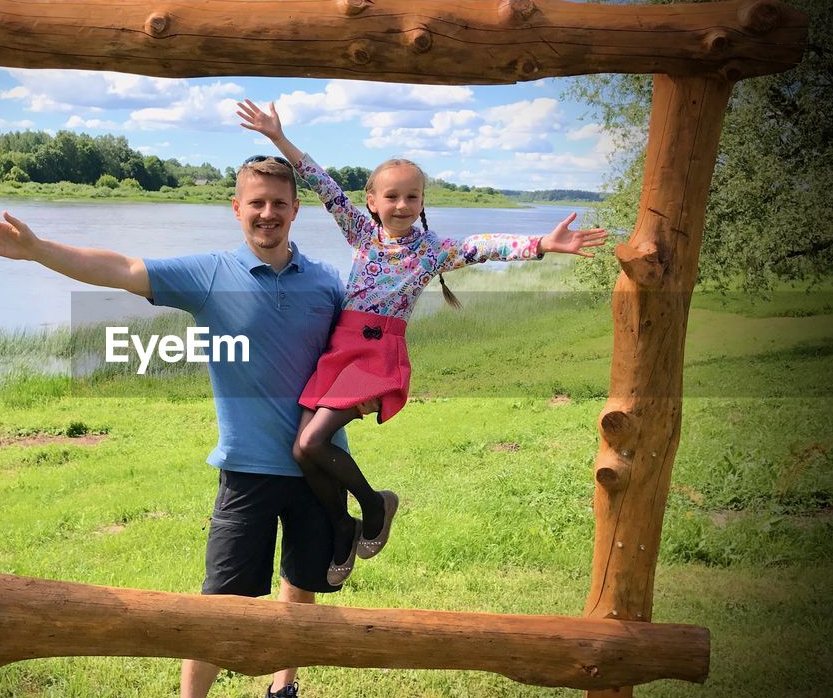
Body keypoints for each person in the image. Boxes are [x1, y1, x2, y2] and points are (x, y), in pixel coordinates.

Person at [0, 155, 348, 698]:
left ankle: (282, 694)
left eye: (278, 203)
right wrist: (37, 250)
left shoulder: (327, 282)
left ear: (295, 209)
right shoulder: (209, 275)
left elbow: (360, 348)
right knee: (215, 607)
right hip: (247, 473)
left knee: (300, 582)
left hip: (316, 471)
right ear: (237, 208)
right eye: (255, 203)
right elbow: (119, 269)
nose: (267, 213)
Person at [237, 99, 608, 586]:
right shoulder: (361, 234)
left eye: (412, 197)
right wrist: (278, 139)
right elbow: (321, 182)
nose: (402, 206)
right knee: (303, 451)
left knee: (311, 441)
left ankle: (374, 505)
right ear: (372, 201)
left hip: (376, 355)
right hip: (340, 350)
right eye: (392, 197)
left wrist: (542, 243)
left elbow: (487, 245)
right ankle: (344, 526)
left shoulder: (433, 251)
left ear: (421, 202)